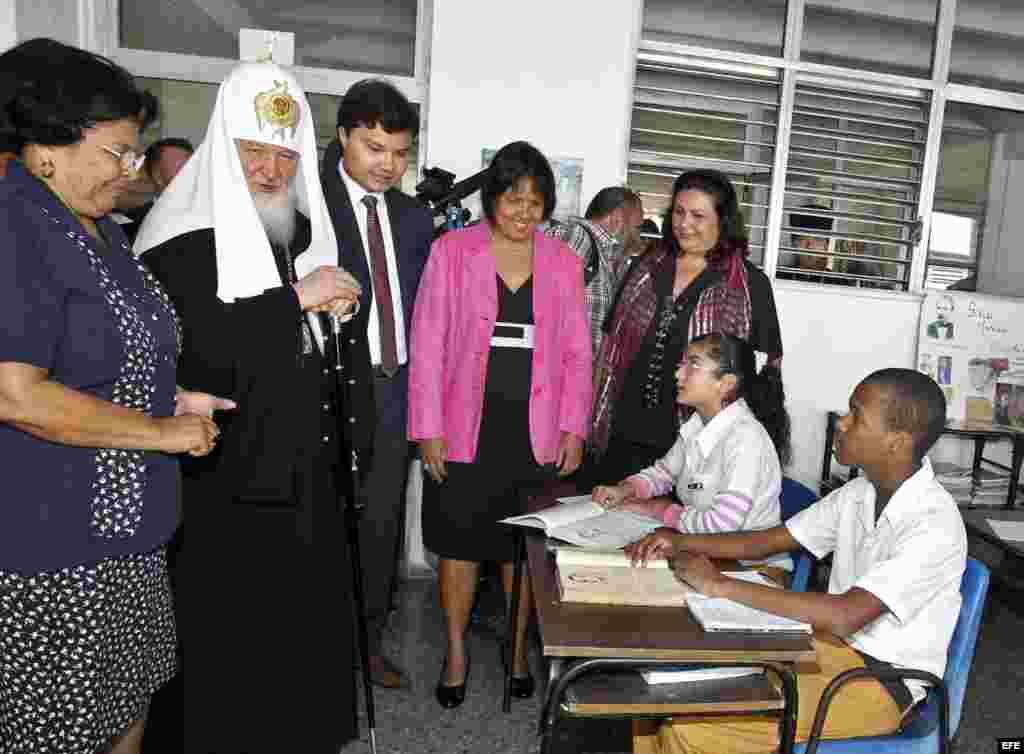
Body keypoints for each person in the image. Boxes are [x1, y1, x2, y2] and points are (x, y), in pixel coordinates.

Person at [0, 38, 224, 754]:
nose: (130, 173)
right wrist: (159, 433)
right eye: (117, 153)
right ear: (47, 146)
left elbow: (105, 362)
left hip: (127, 531)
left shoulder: (93, 231)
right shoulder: (16, 227)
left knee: (128, 706)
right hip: (54, 543)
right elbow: (17, 394)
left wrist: (173, 400)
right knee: (60, 731)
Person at [136, 61, 366, 753]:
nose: (272, 172)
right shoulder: (174, 242)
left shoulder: (295, 232)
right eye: (255, 153)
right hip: (224, 479)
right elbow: (199, 350)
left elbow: (319, 322)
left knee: (296, 632)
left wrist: (344, 306)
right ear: (222, 153)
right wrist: (298, 300)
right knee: (227, 640)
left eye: (286, 157)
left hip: (303, 473)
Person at [627, 368, 967, 754]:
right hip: (824, 647)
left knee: (689, 728)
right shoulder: (859, 492)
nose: (842, 422)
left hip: (878, 680)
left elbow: (845, 614)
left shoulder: (933, 523)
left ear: (897, 442)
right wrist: (679, 541)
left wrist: (717, 584)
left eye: (857, 415)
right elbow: (768, 541)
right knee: (653, 700)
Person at [408, 140, 592, 708]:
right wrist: (428, 428)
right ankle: (458, 649)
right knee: (460, 542)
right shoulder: (452, 252)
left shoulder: (564, 263)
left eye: (536, 203)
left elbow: (578, 355)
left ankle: (516, 650)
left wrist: (573, 427)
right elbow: (428, 344)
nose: (523, 213)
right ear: (491, 198)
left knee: (522, 548)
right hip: (465, 424)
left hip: (532, 428)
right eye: (513, 200)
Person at [320, 77, 434, 689]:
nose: (388, 165)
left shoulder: (415, 217)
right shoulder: (308, 204)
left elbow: (426, 310)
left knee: (382, 528)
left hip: (396, 391)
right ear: (343, 137)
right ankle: (319, 649)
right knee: (323, 521)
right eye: (373, 148)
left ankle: (367, 647)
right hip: (330, 389)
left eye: (399, 152)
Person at [590, 169, 783, 486]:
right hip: (622, 433)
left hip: (697, 448)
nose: (684, 224)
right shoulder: (647, 266)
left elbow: (761, 380)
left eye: (698, 215)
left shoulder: (748, 286)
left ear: (723, 222)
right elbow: (609, 346)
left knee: (676, 529)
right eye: (678, 212)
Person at [593, 333, 791, 571]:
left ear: (725, 384)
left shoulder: (745, 439)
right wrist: (626, 490)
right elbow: (664, 474)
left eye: (693, 365)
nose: (678, 374)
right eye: (682, 364)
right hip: (706, 555)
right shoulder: (697, 424)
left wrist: (660, 510)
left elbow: (722, 525)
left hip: (748, 567)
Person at [546, 186, 643, 357]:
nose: (638, 238)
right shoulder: (577, 236)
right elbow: (545, 305)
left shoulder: (603, 255)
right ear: (618, 219)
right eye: (637, 228)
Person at [119, 137, 194, 243]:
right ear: (157, 175)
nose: (190, 171)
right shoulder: (129, 225)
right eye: (181, 166)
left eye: (193, 164)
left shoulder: (212, 212)